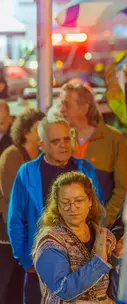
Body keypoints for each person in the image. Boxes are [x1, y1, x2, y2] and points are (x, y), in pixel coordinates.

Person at [7, 116, 105, 304]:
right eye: (55, 141)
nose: (63, 145)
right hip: (40, 264)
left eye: (66, 139)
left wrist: (97, 251)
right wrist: (26, 261)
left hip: (83, 265)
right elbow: (16, 220)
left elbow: (98, 211)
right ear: (42, 144)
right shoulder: (27, 172)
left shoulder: (84, 168)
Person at [32, 172, 123, 303]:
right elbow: (64, 291)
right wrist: (99, 262)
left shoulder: (106, 237)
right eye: (65, 202)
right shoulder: (50, 242)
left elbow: (118, 293)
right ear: (58, 206)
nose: (73, 208)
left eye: (79, 201)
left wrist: (118, 259)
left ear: (90, 201)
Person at [59, 83, 127, 227]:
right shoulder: (62, 139)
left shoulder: (113, 139)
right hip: (66, 230)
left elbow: (123, 188)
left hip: (101, 231)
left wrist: (104, 222)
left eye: (67, 105)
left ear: (84, 108)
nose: (62, 110)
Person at [0, 109, 44, 304]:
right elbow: (11, 202)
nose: (43, 132)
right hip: (7, 238)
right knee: (7, 286)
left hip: (29, 235)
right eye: (38, 128)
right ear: (26, 132)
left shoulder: (39, 157)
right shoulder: (12, 155)